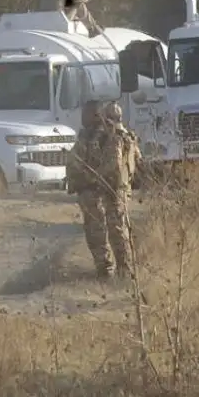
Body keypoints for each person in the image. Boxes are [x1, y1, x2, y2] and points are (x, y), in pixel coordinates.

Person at [66, 100, 140, 281]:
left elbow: (113, 164)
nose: (82, 118)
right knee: (107, 229)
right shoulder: (106, 135)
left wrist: (92, 178)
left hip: (111, 189)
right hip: (109, 189)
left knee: (112, 230)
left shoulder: (111, 136)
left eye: (86, 114)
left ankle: (120, 270)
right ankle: (114, 270)